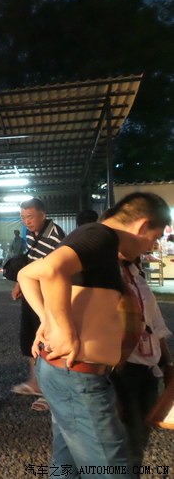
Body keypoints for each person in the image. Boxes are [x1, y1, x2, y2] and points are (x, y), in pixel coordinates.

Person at [17, 192, 171, 476]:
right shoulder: (101, 236)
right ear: (142, 225)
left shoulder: (98, 243)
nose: (153, 246)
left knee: (67, 467)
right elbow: (50, 270)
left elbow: (27, 274)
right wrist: (62, 328)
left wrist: (47, 317)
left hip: (67, 373)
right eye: (156, 237)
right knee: (110, 469)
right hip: (78, 377)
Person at [111, 258, 173, 472]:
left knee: (140, 437)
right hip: (122, 369)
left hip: (149, 369)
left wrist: (168, 363)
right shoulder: (105, 274)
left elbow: (156, 324)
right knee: (126, 440)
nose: (152, 244)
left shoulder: (138, 276)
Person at [10, 198, 64, 410]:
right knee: (30, 338)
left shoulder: (55, 236)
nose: (27, 222)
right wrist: (20, 284)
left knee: (48, 340)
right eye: (23, 218)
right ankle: (35, 383)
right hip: (32, 294)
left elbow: (54, 270)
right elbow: (31, 261)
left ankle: (51, 392)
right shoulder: (33, 234)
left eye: (30, 217)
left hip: (48, 296)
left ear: (43, 214)